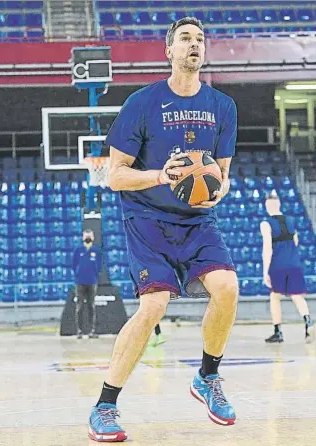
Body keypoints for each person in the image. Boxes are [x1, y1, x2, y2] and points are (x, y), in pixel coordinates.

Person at [88, 17, 238, 443]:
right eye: (185, 39)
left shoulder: (223, 106)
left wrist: (217, 194)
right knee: (153, 307)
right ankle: (104, 405)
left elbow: (222, 175)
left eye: (200, 39)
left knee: (227, 287)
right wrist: (161, 176)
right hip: (147, 219)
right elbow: (115, 177)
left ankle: (207, 378)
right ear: (168, 51)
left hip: (196, 220)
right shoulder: (141, 102)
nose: (194, 45)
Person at [260, 193, 315, 344]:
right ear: (279, 204)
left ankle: (278, 332)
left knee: (275, 297)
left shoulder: (266, 224)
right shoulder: (291, 221)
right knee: (297, 296)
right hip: (294, 263)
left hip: (278, 264)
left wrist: (265, 272)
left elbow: (267, 249)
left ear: (267, 206)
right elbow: (296, 241)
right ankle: (308, 321)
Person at [72, 229, 103, 339]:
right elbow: (74, 264)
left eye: (90, 236)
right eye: (86, 236)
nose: (88, 237)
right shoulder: (78, 250)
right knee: (79, 307)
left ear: (93, 238)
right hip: (80, 282)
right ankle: (79, 331)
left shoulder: (97, 251)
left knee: (91, 306)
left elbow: (99, 266)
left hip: (92, 282)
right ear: (83, 237)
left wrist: (94, 274)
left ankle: (92, 331)